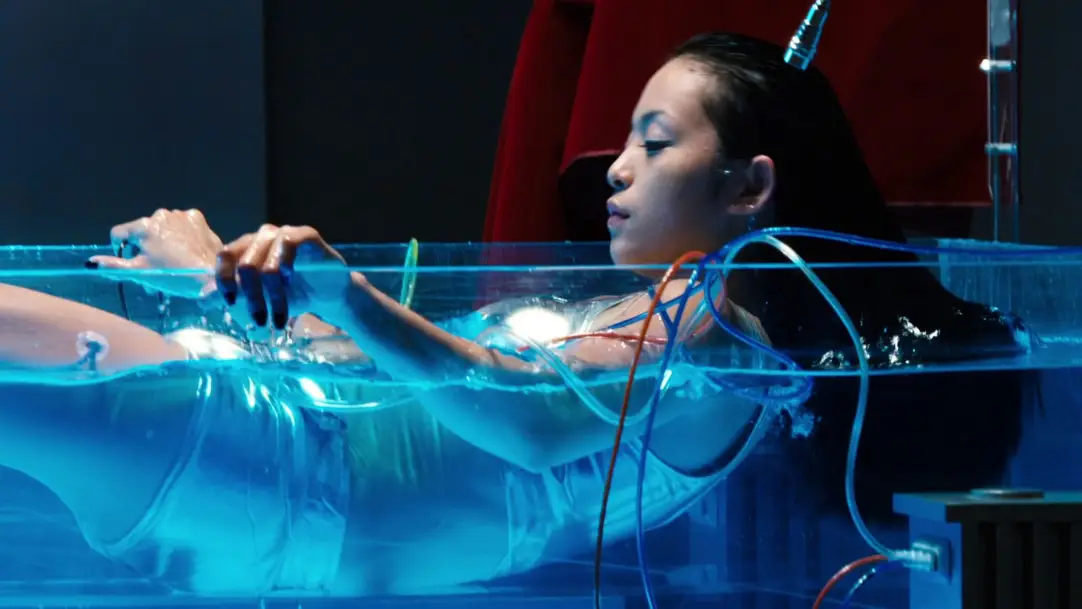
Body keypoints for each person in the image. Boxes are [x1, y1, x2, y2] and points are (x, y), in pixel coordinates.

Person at [0, 32, 1029, 598]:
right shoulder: (668, 316)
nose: (616, 168)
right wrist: (226, 284)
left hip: (283, 486)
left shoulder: (717, 343)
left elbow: (526, 419)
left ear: (749, 186)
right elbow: (409, 391)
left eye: (654, 142)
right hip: (277, 465)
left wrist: (341, 287)